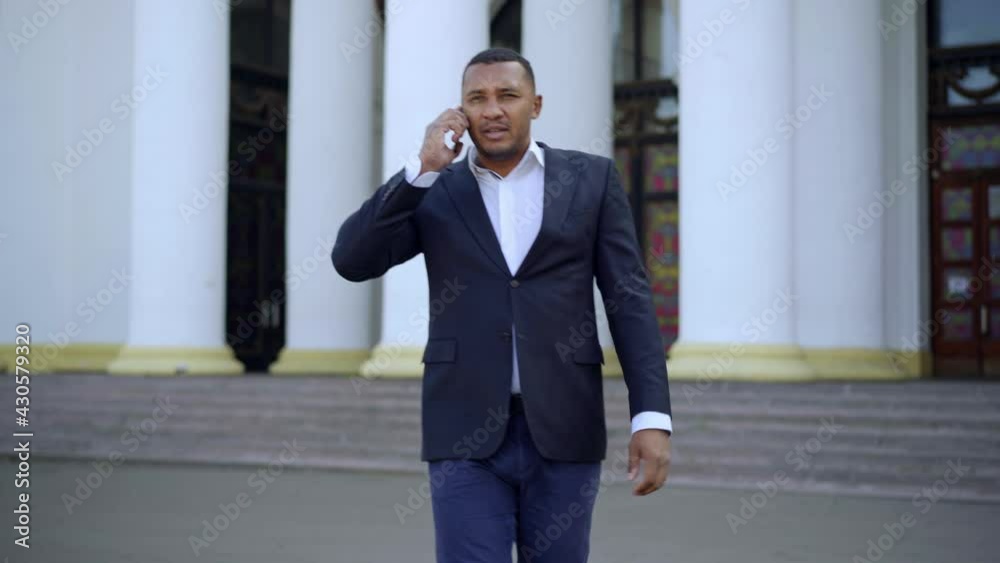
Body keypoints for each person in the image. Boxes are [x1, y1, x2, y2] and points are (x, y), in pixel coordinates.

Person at [332, 47, 672, 563]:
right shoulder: (436, 191)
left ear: (534, 105)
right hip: (462, 429)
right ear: (461, 112)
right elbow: (351, 259)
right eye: (478, 98)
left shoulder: (591, 179)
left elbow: (628, 299)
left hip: (566, 425)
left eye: (507, 96)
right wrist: (419, 170)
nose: (492, 110)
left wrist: (651, 416)